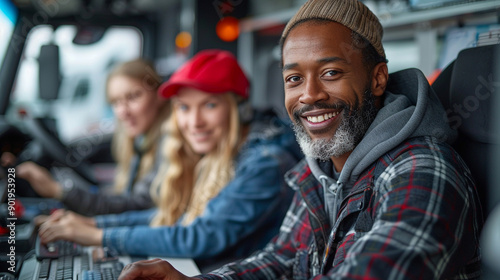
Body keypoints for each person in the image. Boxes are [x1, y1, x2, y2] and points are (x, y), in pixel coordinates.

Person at [117, 0, 484, 279]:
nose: (309, 95)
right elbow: (280, 260)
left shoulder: (422, 170)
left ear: (377, 79)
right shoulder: (318, 168)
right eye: (294, 79)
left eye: (330, 72)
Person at [38, 49, 302, 268]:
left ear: (240, 110)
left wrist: (98, 235)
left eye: (209, 105)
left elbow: (199, 236)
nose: (194, 122)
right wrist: (93, 223)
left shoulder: (265, 162)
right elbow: (175, 217)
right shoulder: (220, 151)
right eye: (184, 108)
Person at [13, 58, 170, 216]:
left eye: (133, 97)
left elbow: (136, 207)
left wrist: (59, 191)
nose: (122, 112)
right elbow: (123, 197)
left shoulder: (168, 144)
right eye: (116, 102)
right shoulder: (141, 140)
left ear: (159, 95)